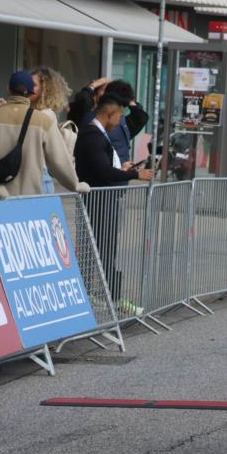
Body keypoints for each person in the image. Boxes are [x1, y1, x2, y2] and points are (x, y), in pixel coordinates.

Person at [75, 93, 154, 311]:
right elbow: (101, 170)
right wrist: (133, 175)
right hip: (97, 201)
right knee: (102, 250)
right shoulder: (92, 134)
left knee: (105, 249)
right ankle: (112, 299)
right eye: (119, 116)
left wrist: (123, 170)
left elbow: (104, 167)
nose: (120, 121)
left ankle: (103, 295)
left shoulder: (98, 133)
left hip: (103, 198)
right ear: (110, 113)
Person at [0, 71, 90, 199]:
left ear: (8, 88)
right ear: (31, 91)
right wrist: (75, 185)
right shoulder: (43, 121)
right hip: (28, 200)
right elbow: (59, 160)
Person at [30, 66, 75, 194]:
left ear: (46, 89)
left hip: (39, 179)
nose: (28, 88)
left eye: (33, 85)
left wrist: (74, 184)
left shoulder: (45, 115)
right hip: (29, 178)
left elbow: (57, 157)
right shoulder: (33, 112)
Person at [84, 80, 149, 166]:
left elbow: (141, 117)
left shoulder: (121, 120)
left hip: (121, 175)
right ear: (95, 94)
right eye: (103, 90)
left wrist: (127, 99)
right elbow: (81, 100)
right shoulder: (92, 119)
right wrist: (92, 86)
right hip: (107, 175)